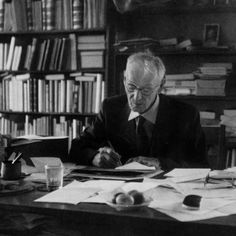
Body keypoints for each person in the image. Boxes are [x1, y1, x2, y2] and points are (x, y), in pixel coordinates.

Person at [69, 52, 207, 171]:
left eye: (145, 90)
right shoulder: (111, 108)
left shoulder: (185, 114)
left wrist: (161, 163)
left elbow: (201, 166)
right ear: (124, 80)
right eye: (131, 87)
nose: (136, 98)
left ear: (161, 85)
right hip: (119, 191)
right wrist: (95, 157)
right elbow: (76, 148)